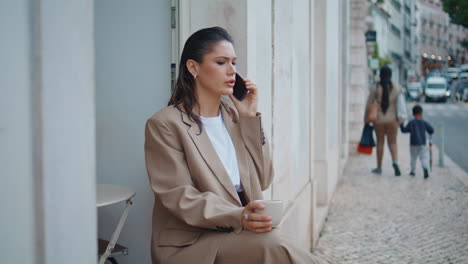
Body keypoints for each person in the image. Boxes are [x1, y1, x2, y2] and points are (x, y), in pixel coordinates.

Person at [144, 27, 325, 264]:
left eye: (234, 63)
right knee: (273, 244)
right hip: (193, 242)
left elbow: (264, 177)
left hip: (239, 232)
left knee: (273, 242)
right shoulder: (165, 124)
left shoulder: (233, 117)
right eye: (221, 62)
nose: (232, 71)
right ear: (193, 67)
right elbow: (180, 197)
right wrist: (238, 215)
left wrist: (250, 118)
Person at [365, 66, 402, 176]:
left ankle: (379, 167)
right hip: (392, 120)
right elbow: (400, 104)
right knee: (393, 143)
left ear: (380, 74)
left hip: (379, 120)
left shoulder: (375, 87)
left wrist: (366, 119)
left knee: (380, 143)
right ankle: (395, 162)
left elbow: (369, 104)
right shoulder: (396, 87)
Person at [400, 105, 434, 179]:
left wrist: (401, 124)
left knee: (413, 158)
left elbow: (404, 130)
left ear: (413, 114)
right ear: (421, 113)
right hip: (422, 143)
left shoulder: (411, 122)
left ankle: (413, 171)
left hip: (413, 144)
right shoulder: (424, 122)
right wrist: (430, 132)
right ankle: (425, 168)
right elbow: (431, 130)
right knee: (423, 157)